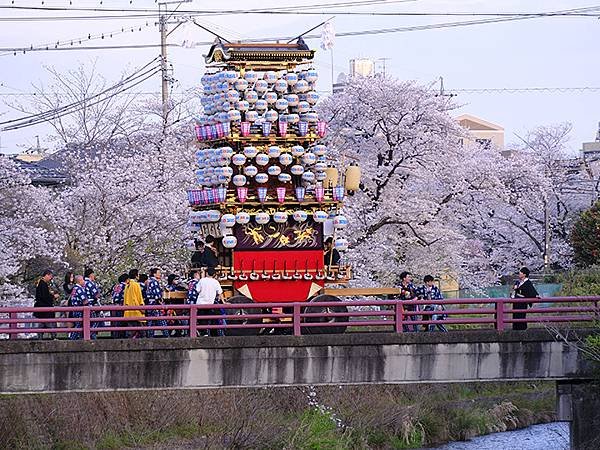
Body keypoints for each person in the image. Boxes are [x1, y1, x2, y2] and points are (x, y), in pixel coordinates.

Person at [195, 267, 224, 337]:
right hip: (210, 303)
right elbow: (220, 293)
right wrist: (224, 301)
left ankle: (204, 333)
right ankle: (213, 334)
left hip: (201, 303)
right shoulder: (216, 282)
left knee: (202, 319)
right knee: (211, 318)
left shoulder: (202, 280)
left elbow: (197, 290)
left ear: (206, 273)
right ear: (214, 274)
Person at [33, 269, 58, 339]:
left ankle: (40, 337)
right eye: (50, 276)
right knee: (49, 323)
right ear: (46, 275)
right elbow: (44, 296)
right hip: (44, 307)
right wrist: (53, 296)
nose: (50, 278)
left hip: (41, 306)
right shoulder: (42, 283)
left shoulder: (41, 283)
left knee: (42, 323)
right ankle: (53, 337)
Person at [146, 268, 168, 338]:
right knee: (162, 321)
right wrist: (161, 302)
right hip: (155, 304)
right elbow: (157, 295)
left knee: (151, 322)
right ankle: (166, 336)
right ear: (154, 274)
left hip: (150, 303)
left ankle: (150, 337)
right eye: (159, 273)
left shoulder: (149, 281)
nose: (160, 274)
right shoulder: (154, 282)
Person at [123, 269, 145, 338]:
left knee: (131, 332)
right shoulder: (136, 285)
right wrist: (142, 308)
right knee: (142, 332)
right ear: (136, 276)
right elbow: (139, 298)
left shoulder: (127, 285)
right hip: (136, 311)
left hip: (128, 312)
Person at [68, 275, 87, 340]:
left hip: (74, 309)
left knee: (78, 325)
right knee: (79, 325)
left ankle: (75, 338)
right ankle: (72, 339)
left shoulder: (74, 288)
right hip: (79, 310)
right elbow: (84, 300)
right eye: (83, 280)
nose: (84, 281)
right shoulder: (79, 289)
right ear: (80, 281)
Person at [84, 268, 101, 338]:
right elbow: (96, 294)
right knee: (94, 321)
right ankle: (92, 337)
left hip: (84, 305)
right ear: (90, 275)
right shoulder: (89, 283)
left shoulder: (83, 282)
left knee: (86, 323)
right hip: (91, 305)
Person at [110, 273, 128, 338]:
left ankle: (114, 337)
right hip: (121, 306)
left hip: (114, 306)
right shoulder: (126, 286)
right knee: (122, 324)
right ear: (127, 280)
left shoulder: (116, 286)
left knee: (115, 323)